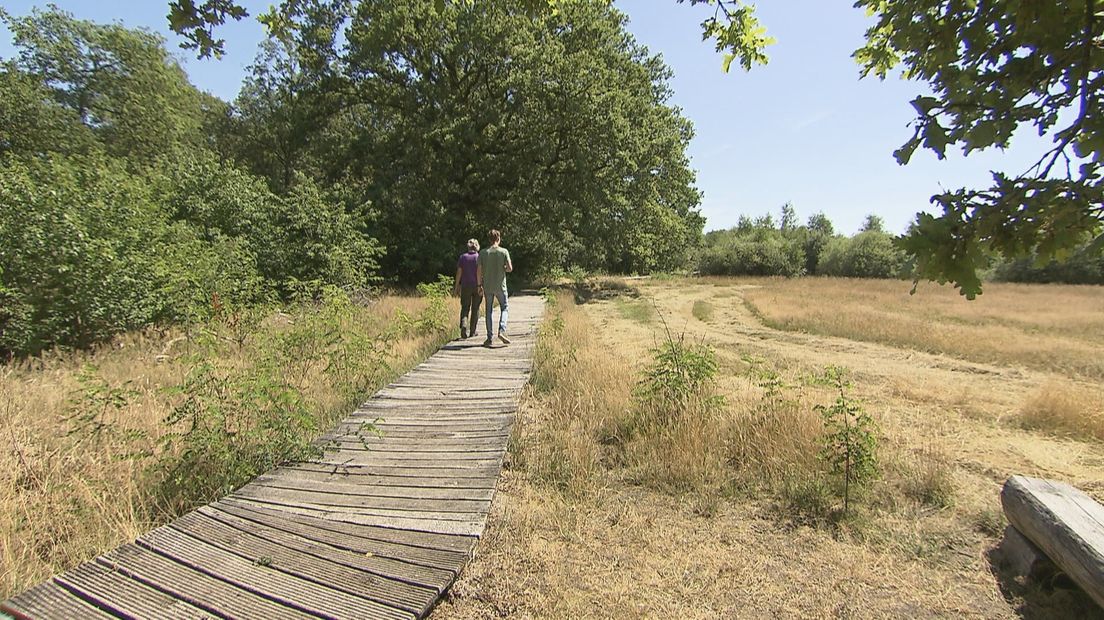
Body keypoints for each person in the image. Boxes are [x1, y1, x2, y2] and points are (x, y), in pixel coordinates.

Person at [476, 229, 512, 346]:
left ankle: (489, 338)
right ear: (498, 239)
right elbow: (510, 268)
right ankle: (502, 330)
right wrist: (504, 268)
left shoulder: (483, 253)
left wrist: (479, 285)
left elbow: (479, 271)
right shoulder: (504, 251)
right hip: (501, 285)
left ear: (489, 239)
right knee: (504, 307)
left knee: (489, 311)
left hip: (488, 286)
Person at [453, 238, 482, 339]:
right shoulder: (479, 257)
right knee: (476, 308)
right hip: (478, 285)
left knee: (465, 307)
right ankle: (473, 331)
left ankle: (464, 325)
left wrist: (457, 286)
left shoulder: (463, 257)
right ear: (477, 247)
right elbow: (482, 272)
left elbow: (459, 272)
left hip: (465, 285)